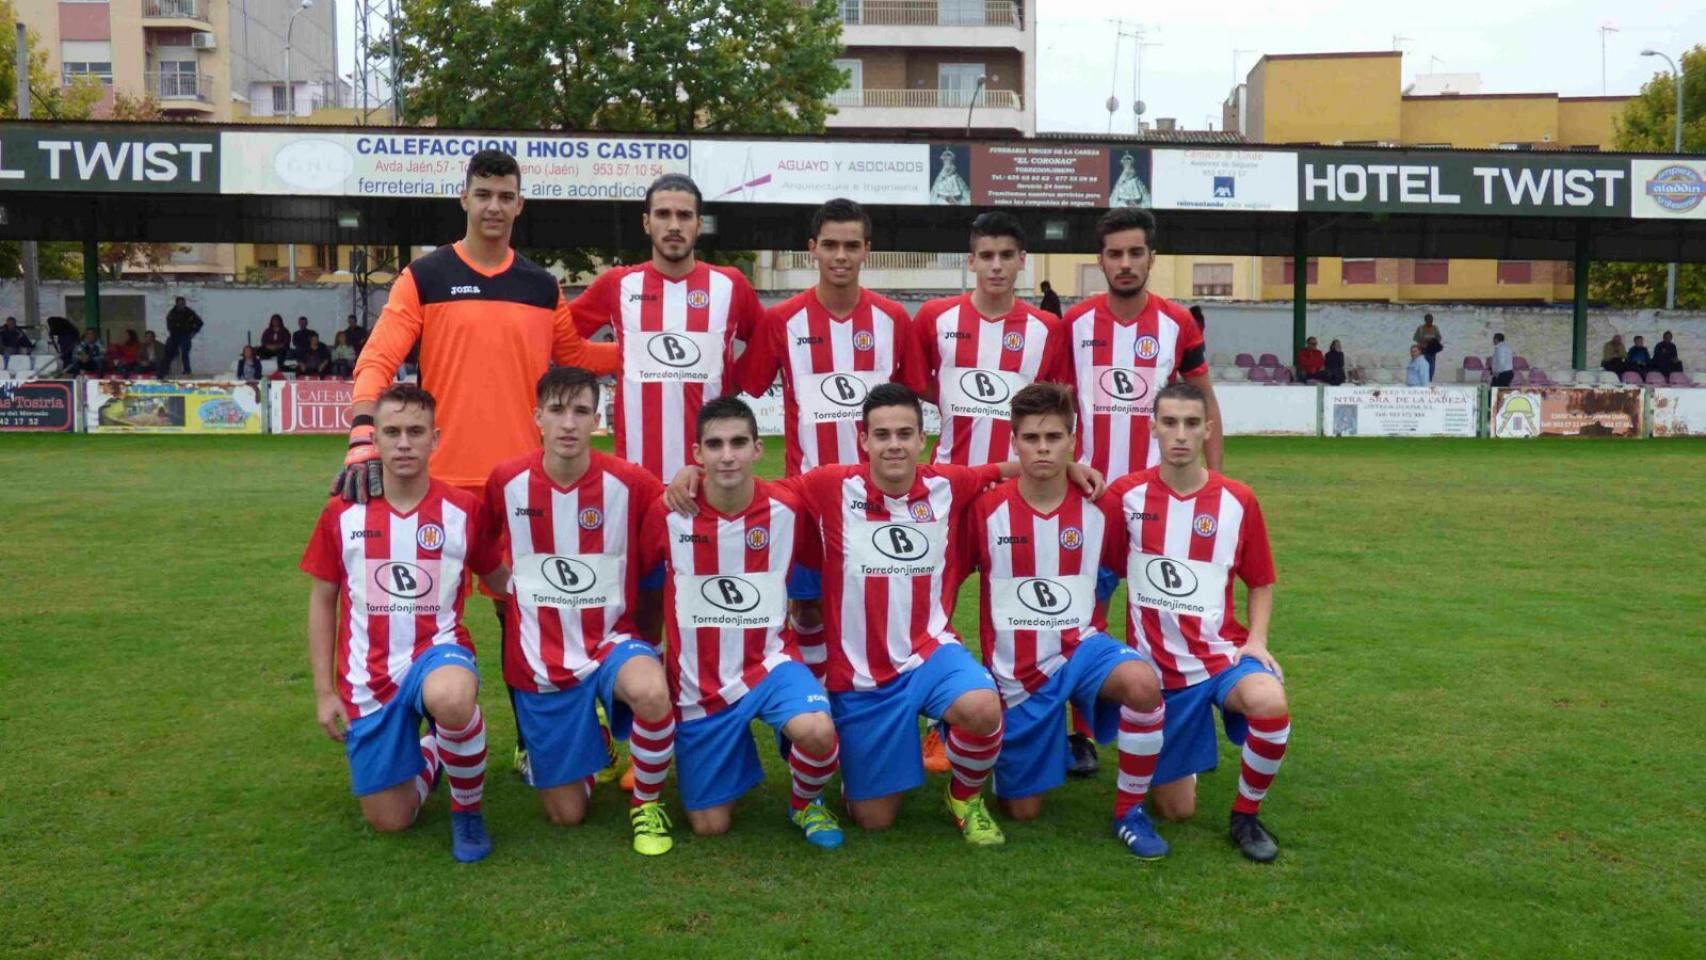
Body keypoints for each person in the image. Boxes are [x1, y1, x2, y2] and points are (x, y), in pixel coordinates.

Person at [667, 385, 1104, 843]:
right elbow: (749, 487)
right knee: (873, 819)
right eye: (881, 434)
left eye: (904, 434)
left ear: (922, 440)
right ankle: (863, 762)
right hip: (861, 675)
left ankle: (964, 795)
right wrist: (690, 475)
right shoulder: (829, 484)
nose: (893, 444)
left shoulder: (948, 484)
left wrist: (1069, 466)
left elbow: (1010, 466)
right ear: (863, 440)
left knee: (981, 705)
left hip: (930, 651)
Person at [339, 150, 621, 782]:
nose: (494, 206)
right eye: (483, 194)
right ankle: (417, 749)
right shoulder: (426, 276)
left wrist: (657, 348)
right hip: (436, 487)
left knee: (525, 615)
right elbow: (379, 357)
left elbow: (576, 357)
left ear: (521, 205)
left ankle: (534, 744)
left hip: (518, 487)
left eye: (506, 196)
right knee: (409, 616)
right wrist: (364, 431)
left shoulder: (540, 285)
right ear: (463, 198)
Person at [299, 384, 506, 862]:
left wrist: (553, 591)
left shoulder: (463, 511)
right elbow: (322, 600)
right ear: (375, 440)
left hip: (438, 653)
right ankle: (433, 750)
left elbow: (498, 577)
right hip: (367, 676)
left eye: (416, 431)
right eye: (392, 432)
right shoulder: (342, 513)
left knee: (452, 699)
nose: (405, 442)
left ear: (437, 439)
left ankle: (467, 810)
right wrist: (323, 692)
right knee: (390, 821)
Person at [966, 383, 1170, 860]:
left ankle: (1129, 812)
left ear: (1072, 440)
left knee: (1142, 683)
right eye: (1032, 438)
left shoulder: (1103, 507)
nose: (1043, 447)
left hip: (1083, 649)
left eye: (1054, 437)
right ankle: (1025, 740)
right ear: (1014, 443)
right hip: (1017, 673)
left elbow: (1128, 573)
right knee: (1021, 811)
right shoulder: (984, 511)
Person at [482, 367, 676, 855]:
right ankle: (597, 747)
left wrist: (692, 475)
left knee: (652, 693)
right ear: (538, 419)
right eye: (557, 411)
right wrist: (512, 594)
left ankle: (647, 805)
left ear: (598, 420)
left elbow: (672, 529)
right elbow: (479, 550)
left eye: (581, 412)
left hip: (612, 640)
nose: (569, 424)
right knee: (566, 816)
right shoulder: (506, 481)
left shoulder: (632, 483)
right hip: (539, 655)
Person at [637, 396, 845, 848]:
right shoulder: (666, 512)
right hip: (698, 682)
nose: (726, 455)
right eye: (714, 445)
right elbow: (644, 585)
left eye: (737, 443)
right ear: (697, 454)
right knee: (710, 826)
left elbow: (814, 580)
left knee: (817, 729)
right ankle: (732, 752)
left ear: (757, 449)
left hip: (769, 663)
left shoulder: (790, 508)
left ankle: (806, 801)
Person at [731, 198, 913, 685]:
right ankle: (816, 700)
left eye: (851, 245)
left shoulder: (894, 320)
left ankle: (875, 698)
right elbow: (742, 386)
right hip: (807, 499)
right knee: (807, 606)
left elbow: (916, 399)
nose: (840, 255)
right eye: (830, 244)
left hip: (877, 499)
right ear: (812, 249)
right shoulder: (782, 320)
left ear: (866, 251)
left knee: (878, 606)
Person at [1107, 380, 1290, 863]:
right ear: (1153, 428)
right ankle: (1177, 763)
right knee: (1176, 811)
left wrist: (1257, 640)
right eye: (1170, 423)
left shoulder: (1239, 500)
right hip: (1158, 675)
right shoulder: (1125, 497)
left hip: (1220, 658)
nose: (1181, 435)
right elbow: (1101, 570)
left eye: (1192, 424)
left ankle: (1245, 816)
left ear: (1208, 430)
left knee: (1269, 700)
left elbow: (1261, 580)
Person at [569, 174, 765, 486]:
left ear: (699, 224)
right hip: (636, 475)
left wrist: (732, 382)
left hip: (711, 475)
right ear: (647, 223)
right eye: (663, 214)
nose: (674, 225)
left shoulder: (731, 285)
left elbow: (766, 344)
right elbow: (561, 334)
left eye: (684, 215)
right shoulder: (617, 284)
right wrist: (611, 361)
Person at [1064, 207, 1222, 481]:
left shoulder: (1178, 322)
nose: (1126, 264)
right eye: (1115, 254)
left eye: (1136, 253)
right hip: (1090, 486)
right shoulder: (1075, 322)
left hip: (1158, 487)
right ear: (1100, 260)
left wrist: (1217, 480)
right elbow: (1057, 403)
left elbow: (1206, 400)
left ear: (1151, 258)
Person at [906, 211, 1071, 467]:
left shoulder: (1047, 327)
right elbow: (916, 382)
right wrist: (955, 396)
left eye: (1006, 255)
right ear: (971, 261)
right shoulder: (935, 316)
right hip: (950, 477)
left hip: (1018, 478)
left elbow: (1056, 400)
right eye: (986, 256)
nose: (996, 265)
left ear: (1022, 260)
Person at [163, 296, 202, 375]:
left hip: (185, 335)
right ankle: (166, 369)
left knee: (185, 353)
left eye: (183, 303)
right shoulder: (172, 313)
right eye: (179, 304)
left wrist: (193, 332)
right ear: (176, 304)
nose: (181, 305)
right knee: (169, 352)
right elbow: (169, 324)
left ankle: (187, 371)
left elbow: (199, 323)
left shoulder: (189, 312)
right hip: (174, 335)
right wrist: (172, 331)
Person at [1412, 313, 1443, 381]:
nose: (1430, 321)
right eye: (1428, 320)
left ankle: (1429, 379)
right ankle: (1424, 378)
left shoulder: (1435, 328)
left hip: (1432, 349)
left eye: (1431, 320)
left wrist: (1433, 341)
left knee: (1431, 365)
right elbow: (1416, 338)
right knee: (1423, 364)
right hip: (1423, 349)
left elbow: (1439, 338)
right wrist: (1423, 341)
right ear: (1425, 320)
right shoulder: (1420, 328)